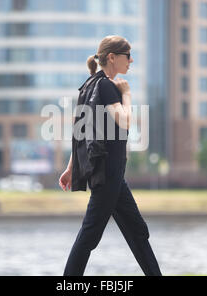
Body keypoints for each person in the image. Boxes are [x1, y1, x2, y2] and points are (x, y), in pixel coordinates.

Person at [58, 35, 162, 276]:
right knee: (90, 234)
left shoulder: (89, 85)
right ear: (113, 58)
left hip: (111, 174)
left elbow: (79, 133)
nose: (132, 60)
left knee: (137, 231)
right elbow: (125, 121)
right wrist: (126, 93)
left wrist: (71, 167)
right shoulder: (106, 86)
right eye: (128, 56)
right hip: (108, 173)